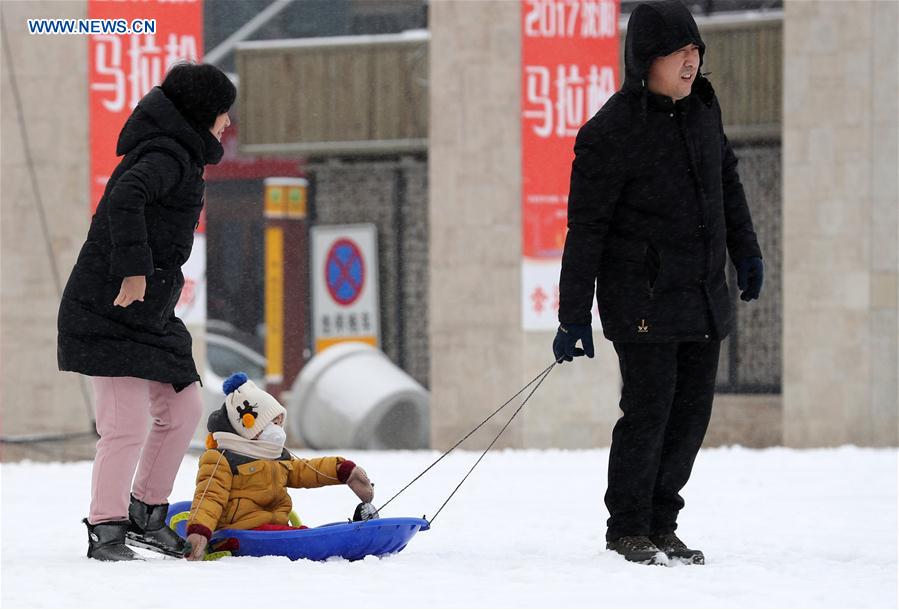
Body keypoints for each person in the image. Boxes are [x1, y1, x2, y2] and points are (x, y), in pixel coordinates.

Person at [552, 0, 763, 566]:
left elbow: (727, 182)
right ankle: (627, 527)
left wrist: (745, 250)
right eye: (679, 53)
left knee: (690, 417)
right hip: (640, 297)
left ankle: (662, 523)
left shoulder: (702, 112)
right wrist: (573, 313)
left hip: (701, 295)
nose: (691, 63)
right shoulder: (610, 131)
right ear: (647, 59)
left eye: (696, 52)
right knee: (649, 412)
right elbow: (586, 228)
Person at [57, 62, 236, 561]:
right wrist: (134, 271)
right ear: (204, 112)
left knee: (183, 409)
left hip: (150, 313)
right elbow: (127, 199)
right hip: (108, 306)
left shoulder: (180, 152)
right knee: (126, 424)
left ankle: (145, 514)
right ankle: (107, 528)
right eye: (224, 113)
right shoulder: (165, 153)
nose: (227, 123)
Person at [184, 373, 375, 561]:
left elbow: (305, 471)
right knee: (302, 539)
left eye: (279, 422)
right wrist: (199, 532)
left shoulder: (275, 455)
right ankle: (338, 542)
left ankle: (355, 534)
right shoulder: (222, 459)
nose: (277, 429)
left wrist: (342, 470)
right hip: (241, 533)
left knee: (299, 535)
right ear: (249, 426)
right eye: (271, 423)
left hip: (274, 531)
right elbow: (209, 497)